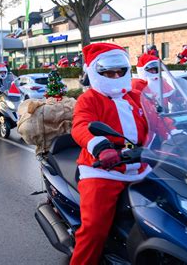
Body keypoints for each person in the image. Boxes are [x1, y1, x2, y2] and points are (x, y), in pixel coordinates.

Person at [71, 43, 150, 265]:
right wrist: (102, 147)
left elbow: (159, 119)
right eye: (108, 72)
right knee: (94, 228)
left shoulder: (136, 96)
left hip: (142, 166)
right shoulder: (90, 99)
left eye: (120, 71)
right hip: (104, 171)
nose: (115, 76)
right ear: (96, 72)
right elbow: (81, 125)